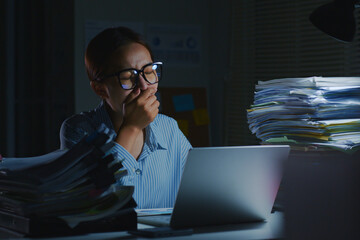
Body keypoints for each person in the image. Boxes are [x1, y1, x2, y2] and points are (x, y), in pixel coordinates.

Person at [60, 26, 192, 209]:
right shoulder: (78, 130)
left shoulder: (169, 128)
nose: (145, 86)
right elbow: (96, 204)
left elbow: (198, 192)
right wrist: (132, 128)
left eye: (149, 71)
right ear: (100, 89)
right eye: (128, 77)